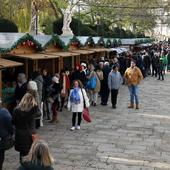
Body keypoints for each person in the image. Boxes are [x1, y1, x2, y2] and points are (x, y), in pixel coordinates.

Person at [12, 92, 41, 162]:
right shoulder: (33, 110)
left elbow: (13, 122)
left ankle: (23, 166)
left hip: (20, 135)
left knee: (22, 154)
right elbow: (39, 114)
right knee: (33, 153)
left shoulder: (16, 110)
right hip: (31, 135)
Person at [0, 98, 13, 170]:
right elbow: (10, 125)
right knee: (1, 154)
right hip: (2, 139)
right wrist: (10, 133)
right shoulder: (4, 112)